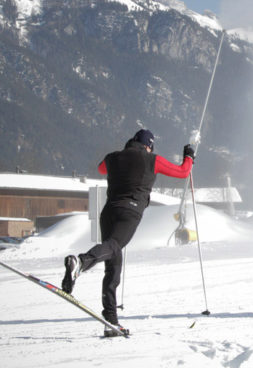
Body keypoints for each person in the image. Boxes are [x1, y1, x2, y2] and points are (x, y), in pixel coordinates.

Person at [62, 128, 195, 336]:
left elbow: (100, 169)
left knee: (113, 264)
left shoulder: (113, 157)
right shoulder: (152, 159)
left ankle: (111, 321)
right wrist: (189, 157)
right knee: (114, 247)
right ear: (148, 145)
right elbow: (182, 172)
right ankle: (81, 263)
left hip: (108, 212)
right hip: (130, 211)